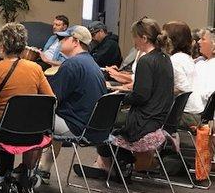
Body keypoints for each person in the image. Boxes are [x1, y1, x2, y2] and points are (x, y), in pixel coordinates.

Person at [75, 18, 174, 179]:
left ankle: (108, 164)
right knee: (110, 119)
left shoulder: (146, 61)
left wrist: (120, 99)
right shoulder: (164, 58)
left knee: (102, 120)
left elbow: (141, 95)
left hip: (143, 121)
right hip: (157, 117)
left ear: (144, 38)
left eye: (135, 37)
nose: (133, 40)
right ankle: (115, 160)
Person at [0, 23, 54, 189]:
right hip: (33, 134)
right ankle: (19, 173)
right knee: (10, 120)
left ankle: (0, 174)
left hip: (4, 134)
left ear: (2, 47)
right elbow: (51, 100)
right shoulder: (36, 69)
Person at [37, 25, 107, 184]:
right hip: (91, 126)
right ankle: (43, 170)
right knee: (50, 118)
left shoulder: (71, 65)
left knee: (34, 117)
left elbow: (51, 99)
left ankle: (26, 172)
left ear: (75, 41)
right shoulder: (92, 64)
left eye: (64, 38)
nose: (59, 41)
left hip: (76, 126)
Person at [182, 28, 215, 128]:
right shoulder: (202, 63)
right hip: (193, 112)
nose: (199, 42)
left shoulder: (212, 66)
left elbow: (210, 95)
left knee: (160, 115)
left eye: (203, 39)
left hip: (198, 115)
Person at [162, 21, 195, 94]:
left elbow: (184, 88)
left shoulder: (175, 60)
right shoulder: (185, 57)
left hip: (186, 104)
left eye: (164, 37)